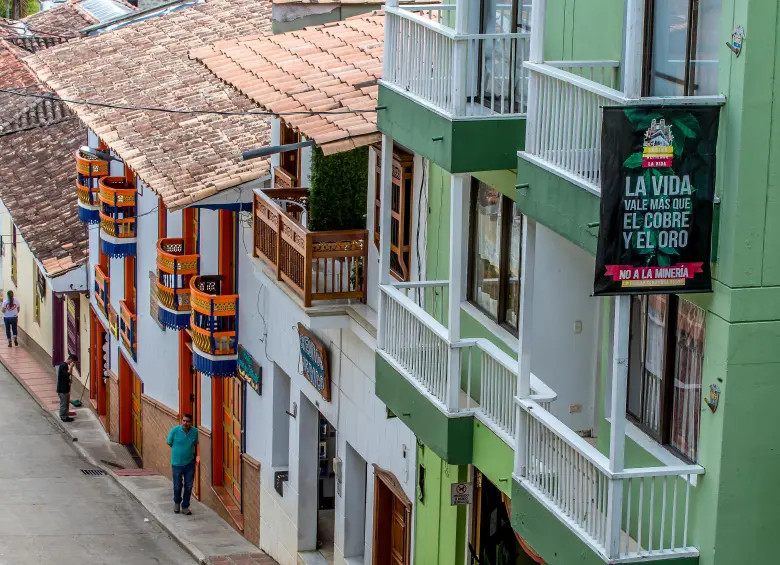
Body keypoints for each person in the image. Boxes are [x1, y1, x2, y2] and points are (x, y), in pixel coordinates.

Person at [167, 414, 198, 515]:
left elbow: (195, 444)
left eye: (188, 421)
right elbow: (169, 442)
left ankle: (185, 506)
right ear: (181, 421)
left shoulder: (195, 432)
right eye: (184, 421)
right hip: (176, 464)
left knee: (188, 486)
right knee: (177, 486)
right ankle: (177, 503)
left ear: (191, 422)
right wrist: (178, 451)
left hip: (189, 463)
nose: (185, 423)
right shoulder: (175, 430)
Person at [56, 354, 78, 422]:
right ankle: (63, 417)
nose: (73, 364)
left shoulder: (65, 365)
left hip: (65, 388)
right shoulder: (63, 365)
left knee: (66, 403)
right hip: (62, 390)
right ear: (71, 360)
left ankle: (66, 415)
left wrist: (69, 380)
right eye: (73, 362)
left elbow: (65, 377)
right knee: (64, 403)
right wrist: (71, 368)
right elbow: (66, 375)